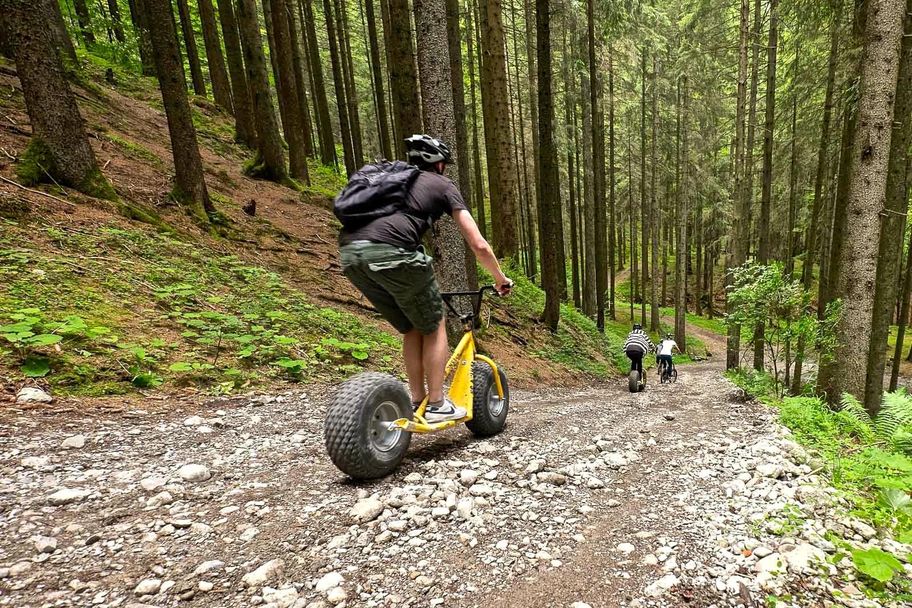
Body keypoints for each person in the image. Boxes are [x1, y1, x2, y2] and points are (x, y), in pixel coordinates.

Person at [338, 134, 512, 422]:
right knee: (434, 325)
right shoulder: (442, 184)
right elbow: (478, 244)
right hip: (394, 253)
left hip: (351, 255)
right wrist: (500, 278)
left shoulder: (391, 183)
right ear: (440, 164)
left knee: (412, 327)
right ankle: (437, 404)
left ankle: (416, 399)